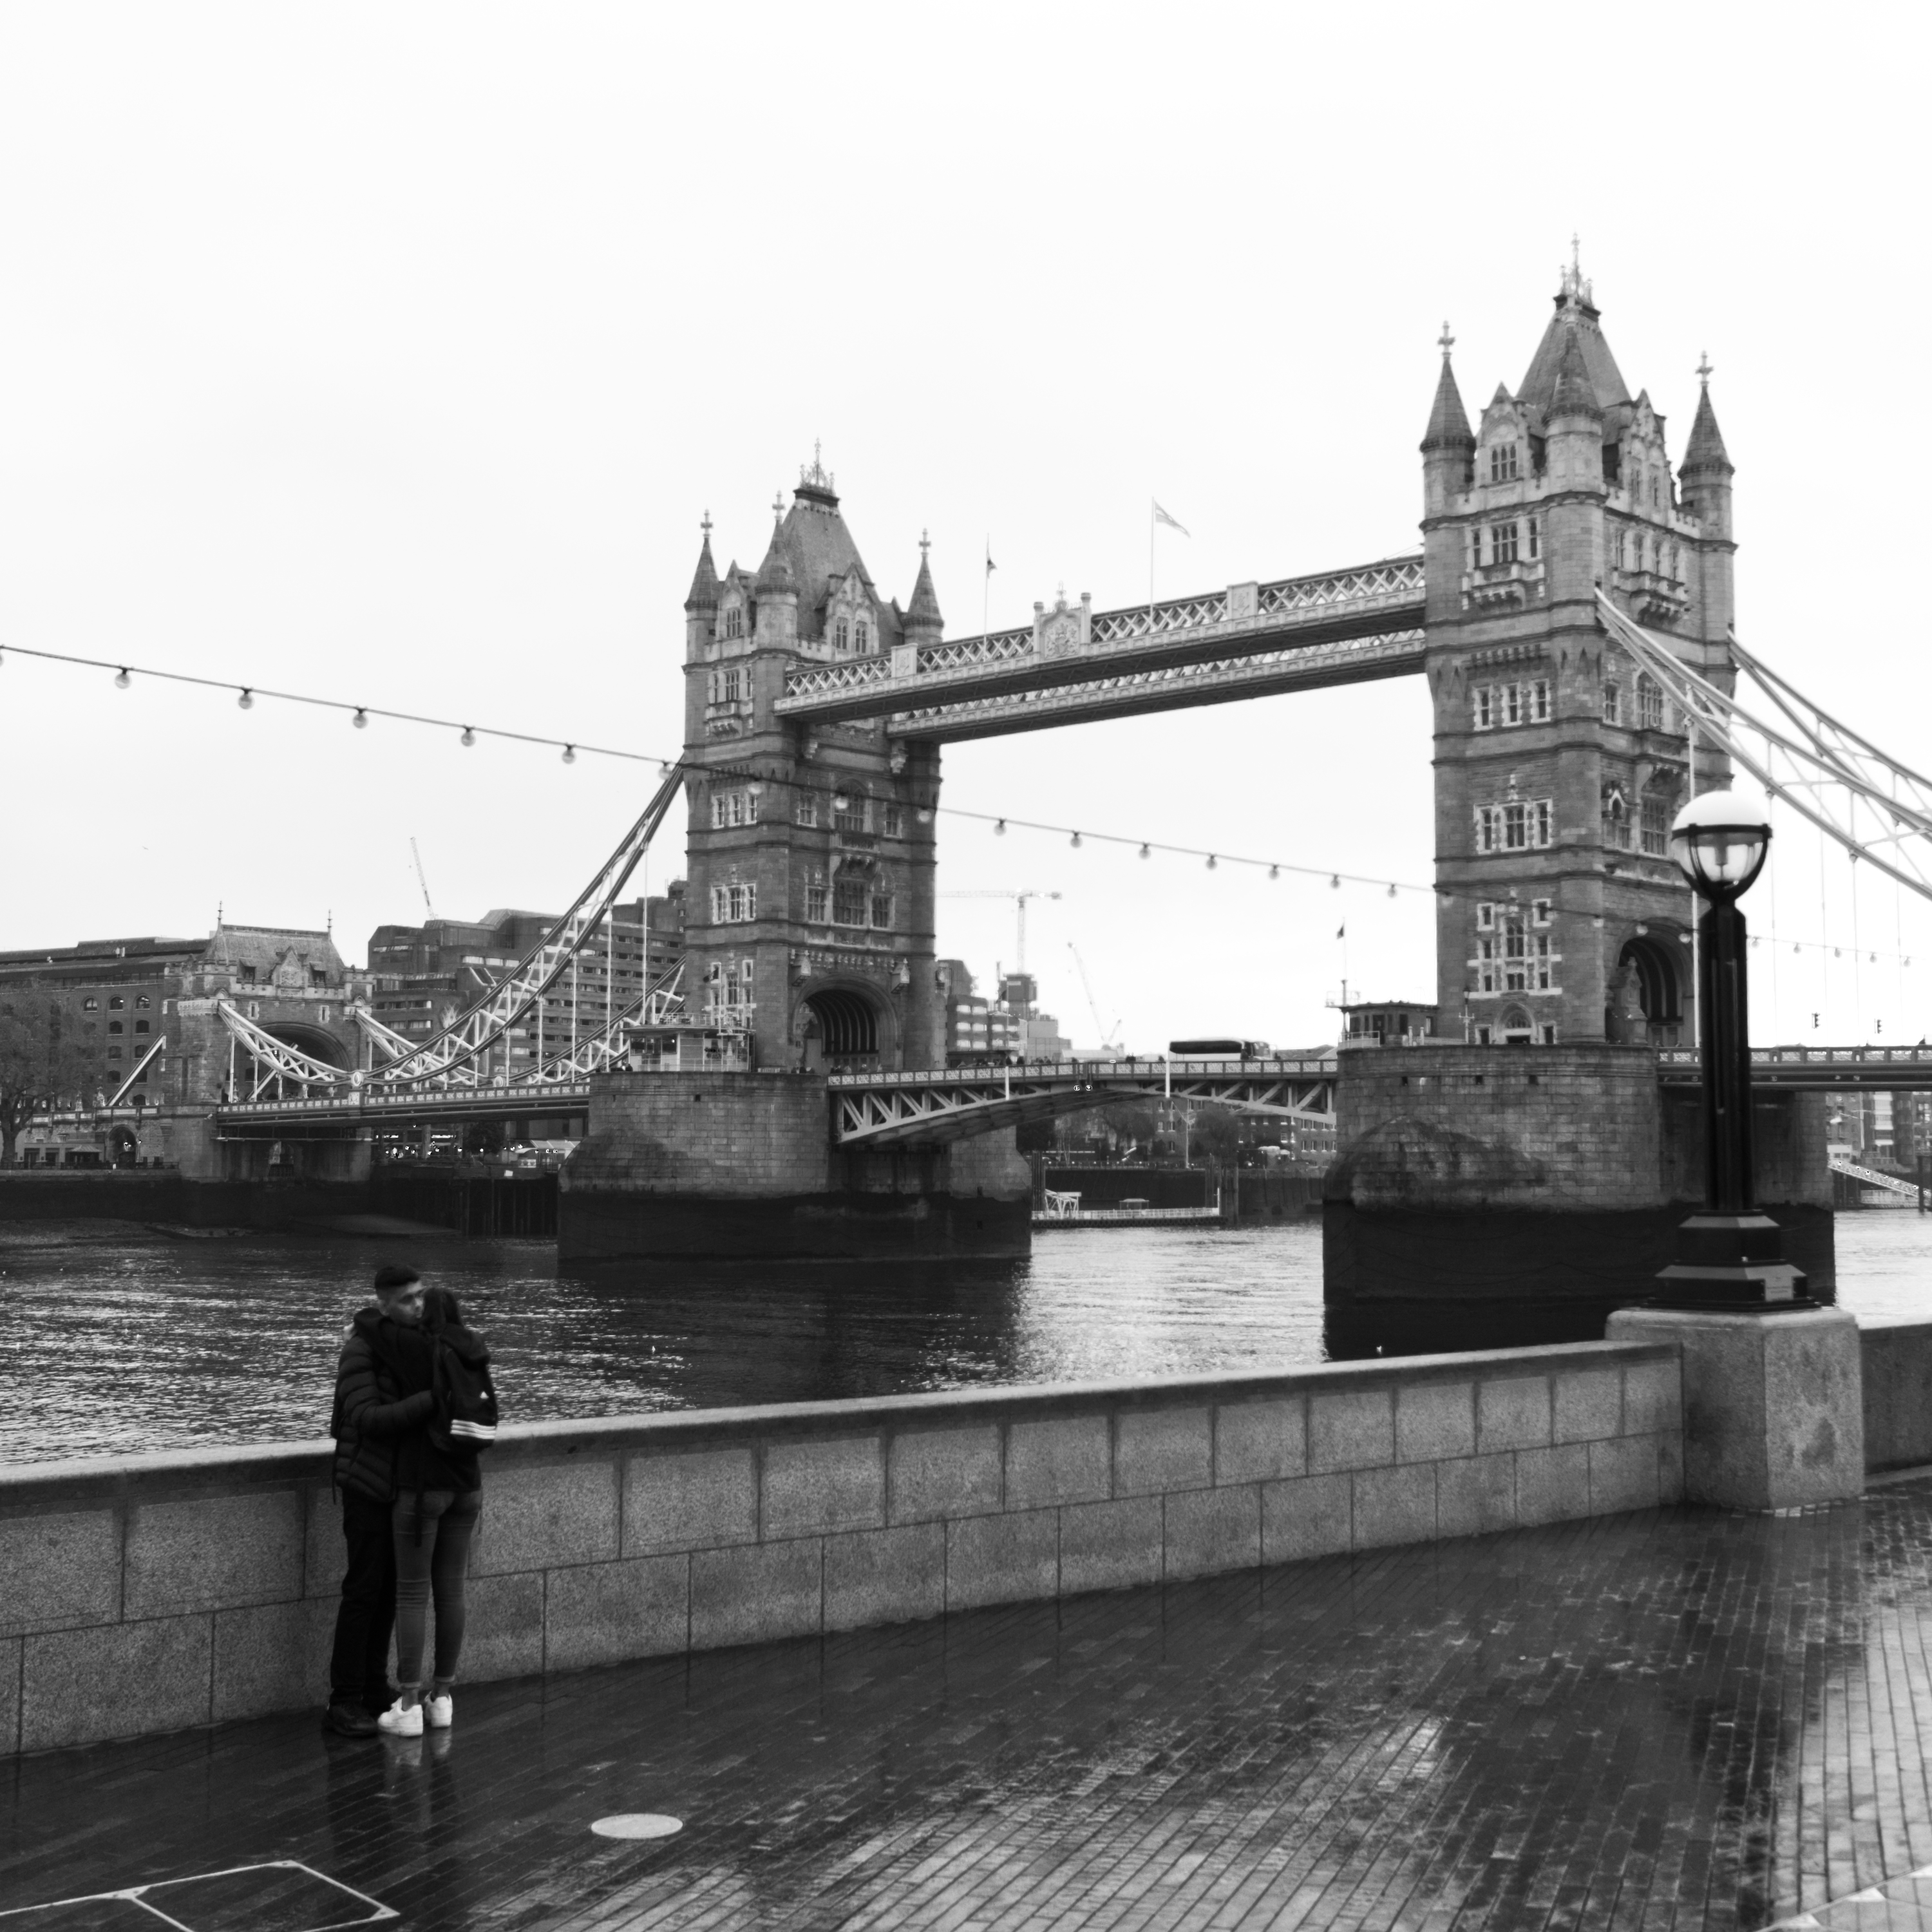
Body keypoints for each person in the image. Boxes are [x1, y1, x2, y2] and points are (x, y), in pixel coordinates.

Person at [326, 1263, 436, 1739]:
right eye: (408, 1299)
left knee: (390, 1590)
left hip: (400, 1487)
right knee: (363, 1591)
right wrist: (431, 1401)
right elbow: (366, 1417)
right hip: (366, 1485)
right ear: (384, 1304)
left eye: (421, 1295)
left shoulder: (408, 1345)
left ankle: (373, 1687)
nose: (419, 1305)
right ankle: (343, 1700)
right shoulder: (360, 1349)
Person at [377, 1285, 491, 1739]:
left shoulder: (419, 1349)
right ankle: (441, 1698)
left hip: (423, 1486)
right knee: (451, 1591)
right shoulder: (474, 1350)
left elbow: (373, 1324)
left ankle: (407, 1705)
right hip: (468, 1485)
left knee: (411, 1595)